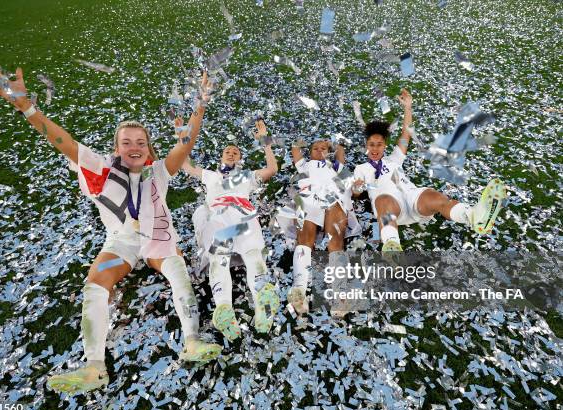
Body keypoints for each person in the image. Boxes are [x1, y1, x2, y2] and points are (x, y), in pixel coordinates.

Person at [0, 57, 222, 394]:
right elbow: (64, 142)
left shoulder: (158, 170)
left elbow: (186, 143)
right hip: (121, 242)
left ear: (149, 151)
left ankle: (192, 340)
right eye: (126, 142)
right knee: (95, 283)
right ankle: (94, 367)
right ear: (115, 149)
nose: (134, 147)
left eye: (141, 143)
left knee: (176, 267)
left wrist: (200, 105)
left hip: (157, 238)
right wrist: (27, 107)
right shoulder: (100, 169)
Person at [353, 88, 507, 251]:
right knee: (383, 201)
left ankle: (473, 216)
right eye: (371, 144)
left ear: (385, 146)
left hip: (412, 197)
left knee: (437, 197)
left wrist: (408, 107)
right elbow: (356, 193)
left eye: (379, 145)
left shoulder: (395, 158)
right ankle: (392, 246)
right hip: (390, 207)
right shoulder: (361, 168)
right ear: (366, 146)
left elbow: (406, 134)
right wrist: (358, 187)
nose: (375, 149)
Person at [182, 119, 279, 340]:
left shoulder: (246, 176)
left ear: (241, 158)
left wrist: (266, 141)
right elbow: (185, 165)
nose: (232, 153)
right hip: (218, 217)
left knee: (253, 254)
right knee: (219, 258)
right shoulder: (210, 175)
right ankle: (224, 307)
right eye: (228, 151)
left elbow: (272, 169)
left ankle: (262, 307)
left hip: (243, 214)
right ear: (221, 157)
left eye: (236, 152)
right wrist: (183, 137)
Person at [277, 137, 354, 316]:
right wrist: (301, 142)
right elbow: (295, 149)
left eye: (324, 148)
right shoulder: (305, 166)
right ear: (310, 152)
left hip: (333, 199)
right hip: (308, 199)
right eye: (316, 148)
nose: (320, 151)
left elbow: (341, 153)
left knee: (335, 242)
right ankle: (299, 291)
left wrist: (335, 144)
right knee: (304, 241)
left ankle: (340, 294)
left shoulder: (336, 166)